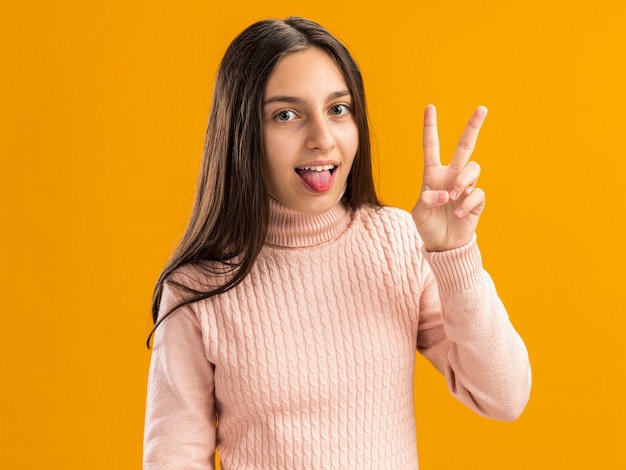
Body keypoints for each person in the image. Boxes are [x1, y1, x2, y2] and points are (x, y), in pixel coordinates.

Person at [143, 16, 531, 469]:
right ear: (242, 135)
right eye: (286, 115)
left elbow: (504, 397)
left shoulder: (396, 243)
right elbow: (174, 460)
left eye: (338, 109)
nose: (322, 139)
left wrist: (453, 256)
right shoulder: (198, 289)